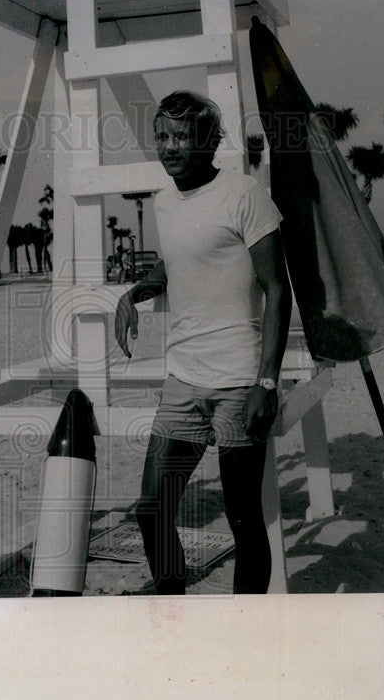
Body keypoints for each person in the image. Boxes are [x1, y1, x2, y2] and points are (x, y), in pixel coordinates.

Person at [114, 90, 291, 595]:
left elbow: (278, 290)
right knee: (152, 509)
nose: (169, 147)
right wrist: (139, 290)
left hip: (239, 383)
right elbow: (180, 256)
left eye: (181, 136)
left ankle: (243, 631)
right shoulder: (165, 202)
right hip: (183, 380)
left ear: (209, 142)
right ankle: (175, 605)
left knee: (242, 519)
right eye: (162, 137)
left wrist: (266, 381)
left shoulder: (245, 195)